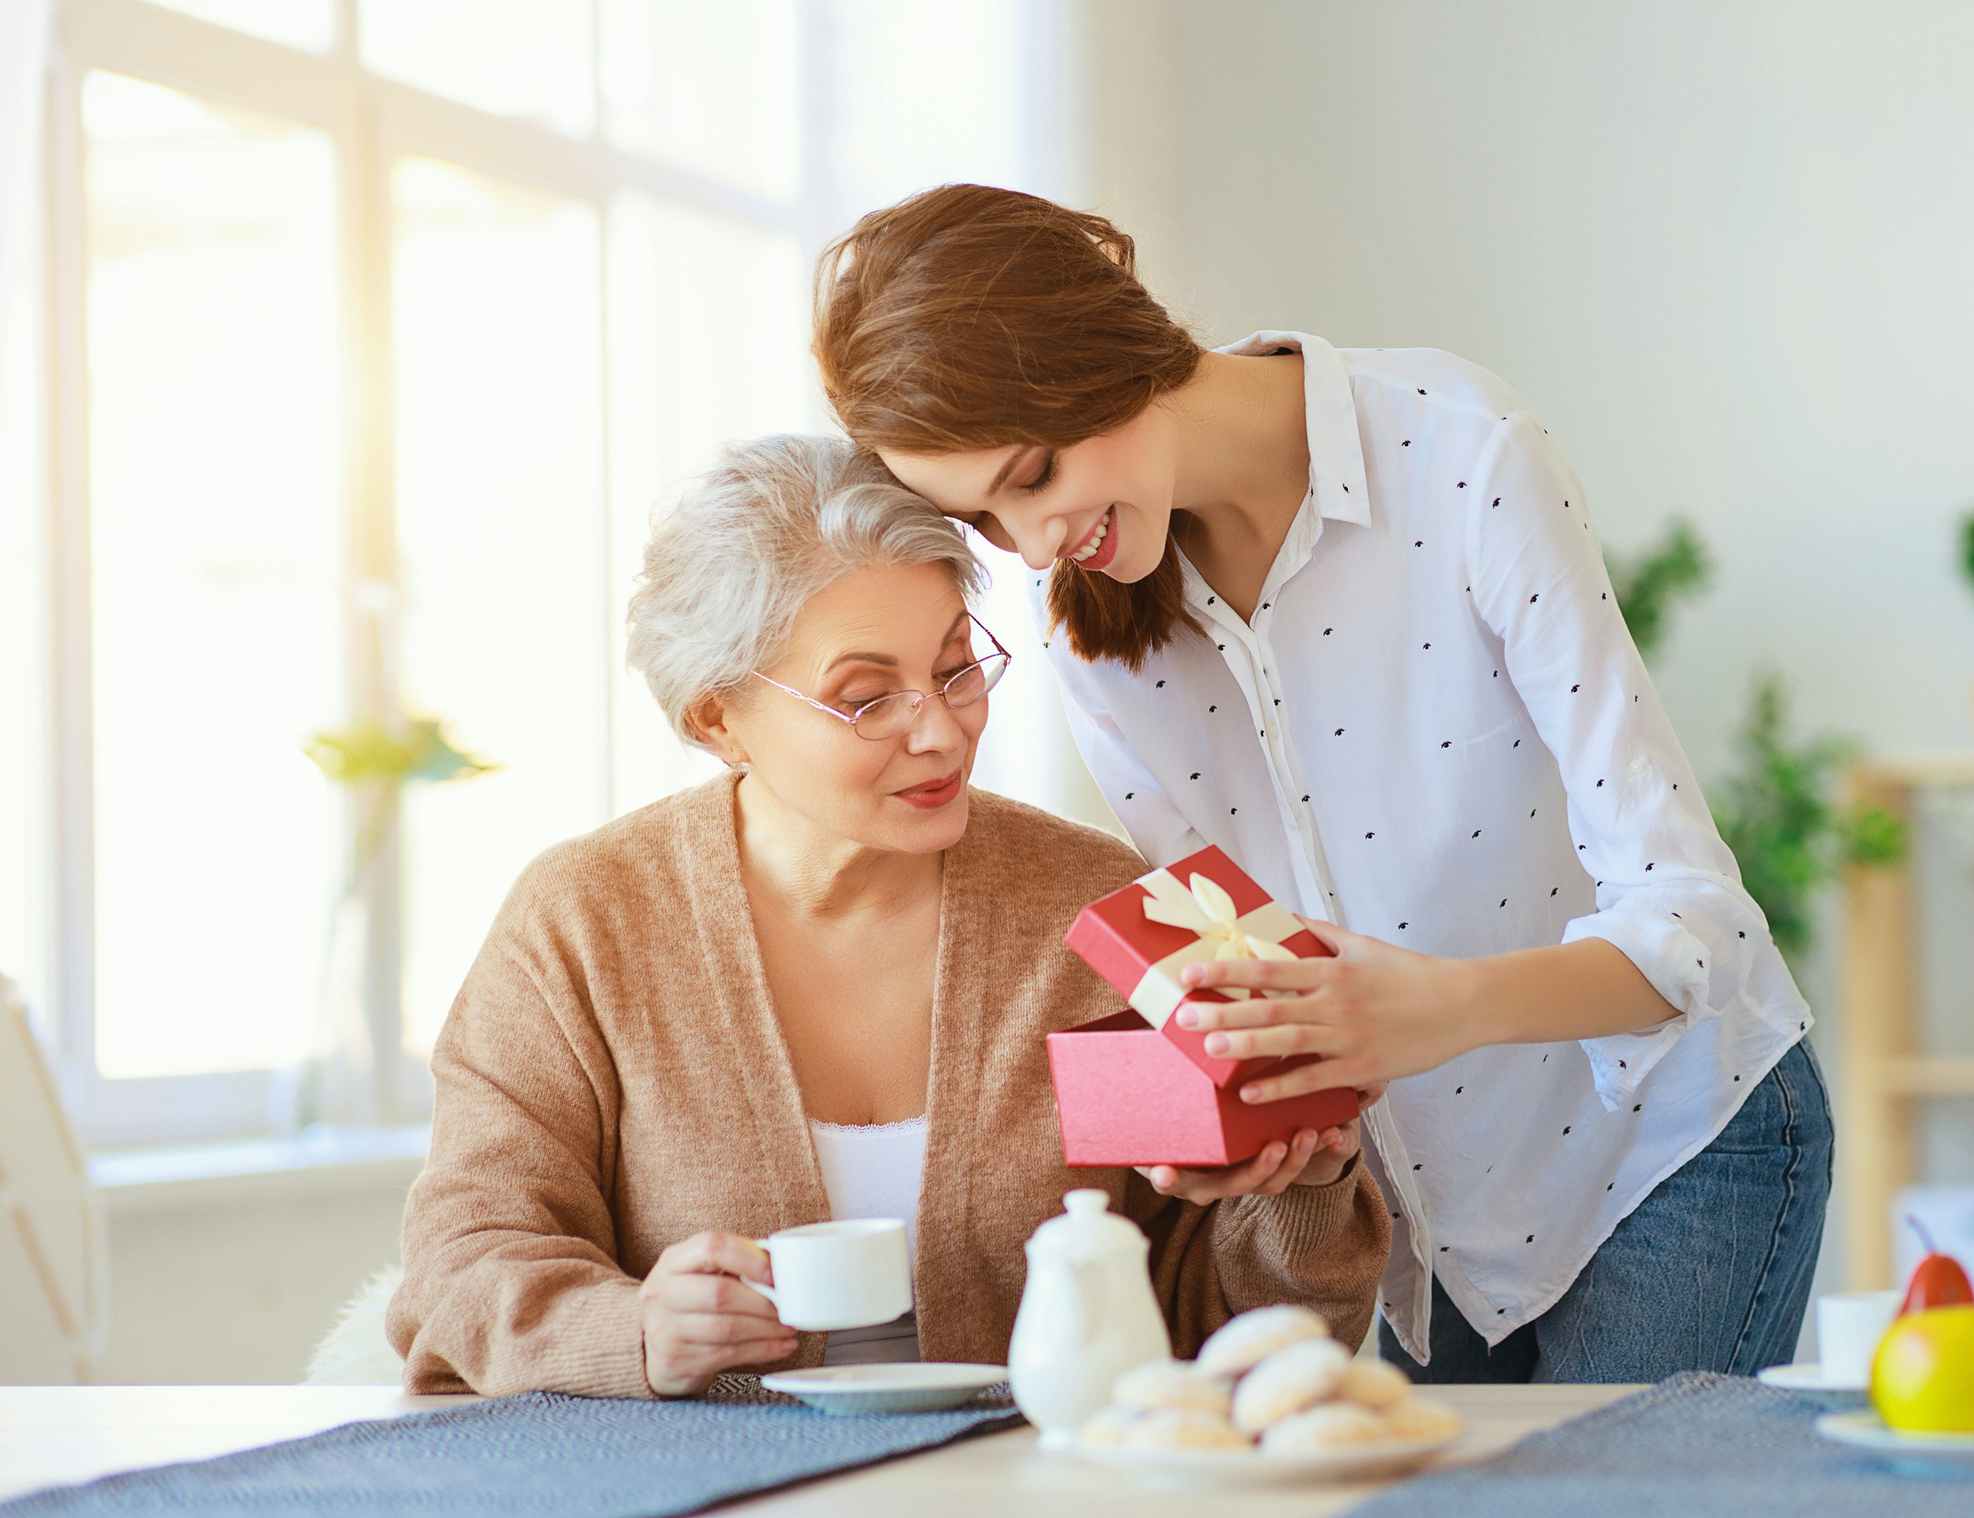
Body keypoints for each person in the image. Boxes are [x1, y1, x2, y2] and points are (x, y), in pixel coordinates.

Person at [810, 185, 1833, 1383]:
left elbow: (1696, 919)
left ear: (1103, 347)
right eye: (985, 520)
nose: (1033, 543)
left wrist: (1429, 1011)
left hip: (1669, 1148)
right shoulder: (1096, 636)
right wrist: (1260, 1117)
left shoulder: (1459, 455)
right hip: (1432, 1227)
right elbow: (1257, 969)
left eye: (1031, 475)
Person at [387, 434, 1390, 1397]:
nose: (942, 730)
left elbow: (1218, 1330)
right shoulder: (584, 923)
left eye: (957, 667)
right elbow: (461, 1267)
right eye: (868, 699)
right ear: (716, 718)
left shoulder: (1097, 912)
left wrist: (1302, 1179)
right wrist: (633, 1329)